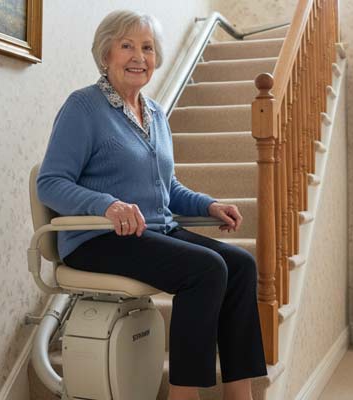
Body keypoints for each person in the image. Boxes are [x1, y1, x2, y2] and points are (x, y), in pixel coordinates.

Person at [36, 9, 267, 400]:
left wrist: (208, 205)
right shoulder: (83, 108)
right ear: (106, 53)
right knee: (206, 269)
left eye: (147, 47)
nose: (138, 56)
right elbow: (51, 183)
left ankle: (238, 392)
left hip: (152, 232)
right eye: (127, 46)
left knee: (241, 264)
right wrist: (108, 205)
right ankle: (182, 394)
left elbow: (167, 187)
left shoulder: (157, 114)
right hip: (98, 239)